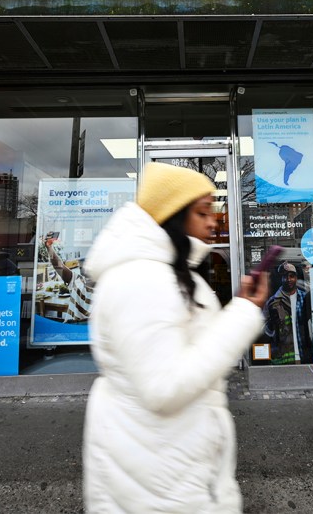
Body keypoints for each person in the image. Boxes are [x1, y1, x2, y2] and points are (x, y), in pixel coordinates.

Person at [82, 162, 269, 512]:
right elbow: (164, 387)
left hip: (169, 462)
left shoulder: (170, 274)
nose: (214, 221)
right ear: (173, 216)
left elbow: (188, 346)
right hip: (158, 477)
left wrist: (241, 305)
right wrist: (242, 316)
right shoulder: (141, 280)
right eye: (202, 212)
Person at [262, 261, 313, 365]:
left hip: (304, 356)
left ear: (296, 277)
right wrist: (272, 324)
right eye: (284, 276)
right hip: (282, 359)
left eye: (291, 276)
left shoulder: (305, 298)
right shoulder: (272, 302)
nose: (288, 279)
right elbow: (263, 332)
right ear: (281, 279)